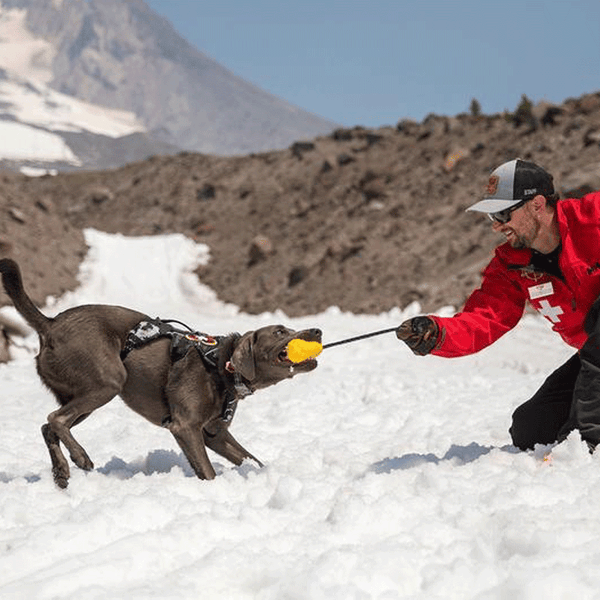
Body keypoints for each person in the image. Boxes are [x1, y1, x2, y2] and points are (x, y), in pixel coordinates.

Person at [396, 158, 600, 451]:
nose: (497, 226)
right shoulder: (511, 265)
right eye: (492, 217)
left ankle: (591, 447)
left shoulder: (593, 217)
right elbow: (484, 318)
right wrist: (436, 333)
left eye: (503, 214)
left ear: (537, 204)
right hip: (594, 357)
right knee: (531, 428)